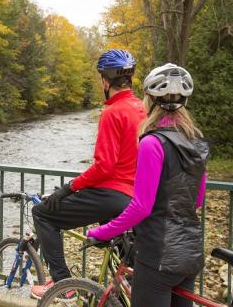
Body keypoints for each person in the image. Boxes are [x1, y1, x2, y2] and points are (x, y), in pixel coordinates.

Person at [87, 63, 209, 307]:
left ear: (150, 100)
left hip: (158, 256)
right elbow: (197, 200)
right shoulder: (196, 141)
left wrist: (101, 231)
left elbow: (141, 206)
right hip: (189, 253)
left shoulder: (152, 143)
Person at [30, 49, 146, 299]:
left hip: (113, 194)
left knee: (42, 214)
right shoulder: (142, 108)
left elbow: (104, 167)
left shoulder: (112, 112)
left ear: (105, 81)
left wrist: (68, 188)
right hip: (137, 199)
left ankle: (63, 285)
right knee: (128, 269)